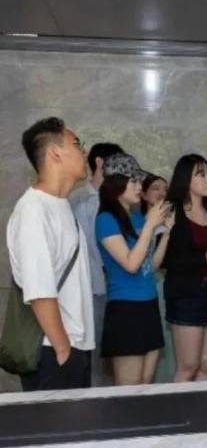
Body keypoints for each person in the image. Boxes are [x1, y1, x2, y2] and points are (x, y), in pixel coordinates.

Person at [7, 117, 94, 391]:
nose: (84, 152)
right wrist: (63, 349)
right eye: (77, 144)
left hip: (74, 345)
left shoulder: (60, 205)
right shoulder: (34, 210)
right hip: (53, 351)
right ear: (55, 152)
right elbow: (39, 290)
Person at [95, 154, 173, 385]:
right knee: (129, 391)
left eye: (140, 181)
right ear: (116, 184)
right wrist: (150, 225)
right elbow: (130, 264)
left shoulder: (137, 217)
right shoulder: (106, 219)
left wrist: (166, 233)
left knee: (146, 386)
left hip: (149, 304)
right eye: (134, 181)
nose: (140, 187)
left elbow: (152, 265)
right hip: (125, 309)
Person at [162, 154, 207, 382]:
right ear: (185, 179)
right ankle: (179, 405)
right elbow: (164, 260)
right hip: (187, 294)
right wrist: (203, 258)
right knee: (188, 366)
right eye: (201, 175)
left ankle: (205, 406)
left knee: (206, 366)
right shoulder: (172, 212)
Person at [70, 142, 123, 386]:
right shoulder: (79, 200)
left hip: (118, 288)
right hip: (92, 289)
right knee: (94, 357)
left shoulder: (119, 200)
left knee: (116, 357)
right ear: (100, 162)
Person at [141, 174, 177, 383]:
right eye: (156, 188)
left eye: (165, 188)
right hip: (148, 287)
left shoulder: (174, 222)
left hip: (170, 286)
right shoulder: (138, 224)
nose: (162, 193)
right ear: (143, 194)